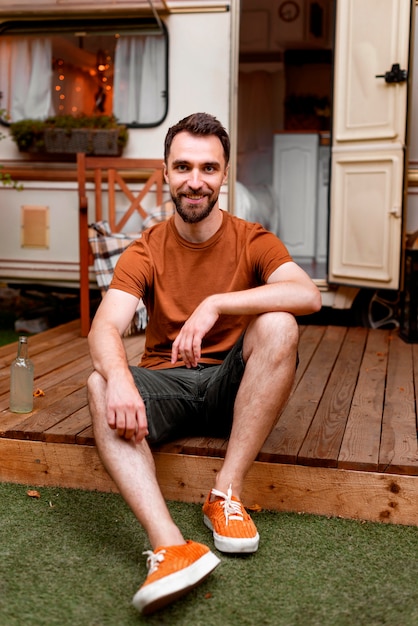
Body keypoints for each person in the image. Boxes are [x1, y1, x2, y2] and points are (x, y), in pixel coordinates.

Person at [87, 112, 321, 615]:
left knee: (280, 323)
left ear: (224, 175)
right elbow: (104, 328)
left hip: (230, 389)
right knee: (98, 380)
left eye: (209, 168)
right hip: (167, 387)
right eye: (184, 167)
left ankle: (225, 494)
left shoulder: (251, 238)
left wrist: (217, 302)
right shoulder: (144, 249)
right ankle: (171, 544)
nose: (196, 181)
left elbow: (306, 294)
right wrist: (122, 379)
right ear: (167, 173)